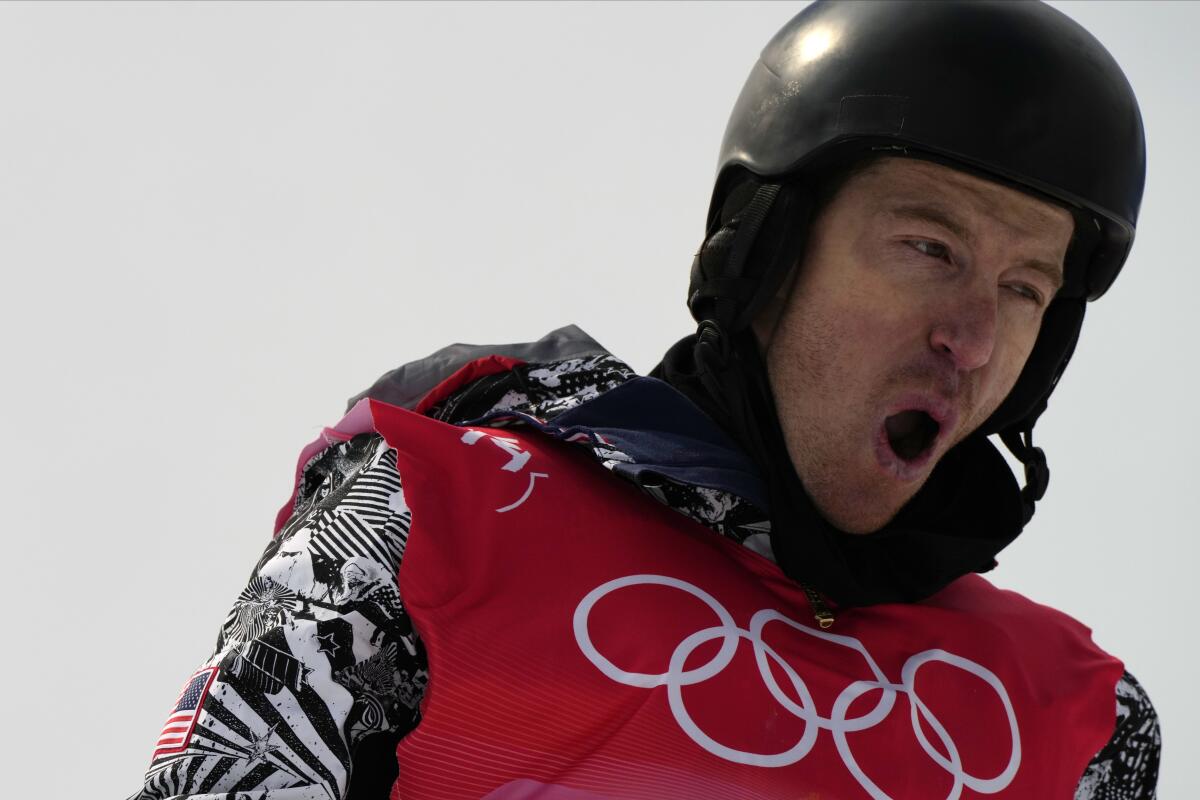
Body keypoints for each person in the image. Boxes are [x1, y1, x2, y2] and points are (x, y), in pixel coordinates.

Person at [128, 2, 1160, 798]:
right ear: (766, 253)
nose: (972, 337)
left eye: (1023, 288)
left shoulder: (1070, 721)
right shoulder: (444, 514)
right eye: (928, 247)